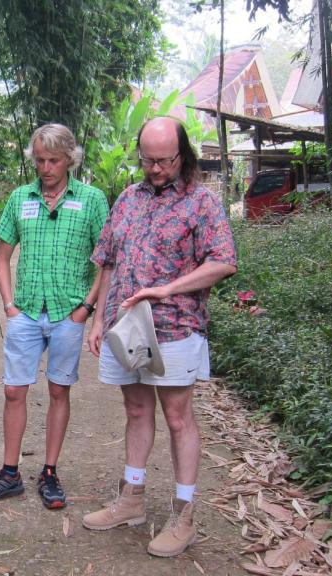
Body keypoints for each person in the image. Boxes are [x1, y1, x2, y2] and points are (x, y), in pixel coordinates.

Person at [82, 116, 237, 557]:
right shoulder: (128, 198)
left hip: (175, 327)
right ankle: (131, 498)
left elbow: (224, 261)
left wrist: (168, 287)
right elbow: (108, 261)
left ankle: (183, 515)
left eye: (164, 160)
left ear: (182, 154)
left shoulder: (202, 203)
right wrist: (97, 320)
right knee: (135, 410)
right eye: (147, 160)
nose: (154, 168)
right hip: (126, 327)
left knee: (177, 417)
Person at [0, 123, 109, 509]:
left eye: (54, 160)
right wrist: (10, 305)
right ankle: (10, 472)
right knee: (14, 390)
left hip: (69, 311)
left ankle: (49, 472)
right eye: (40, 160)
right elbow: (2, 259)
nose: (46, 168)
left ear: (70, 159)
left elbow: (105, 260)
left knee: (58, 389)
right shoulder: (20, 198)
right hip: (27, 311)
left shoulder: (92, 199)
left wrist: (87, 308)